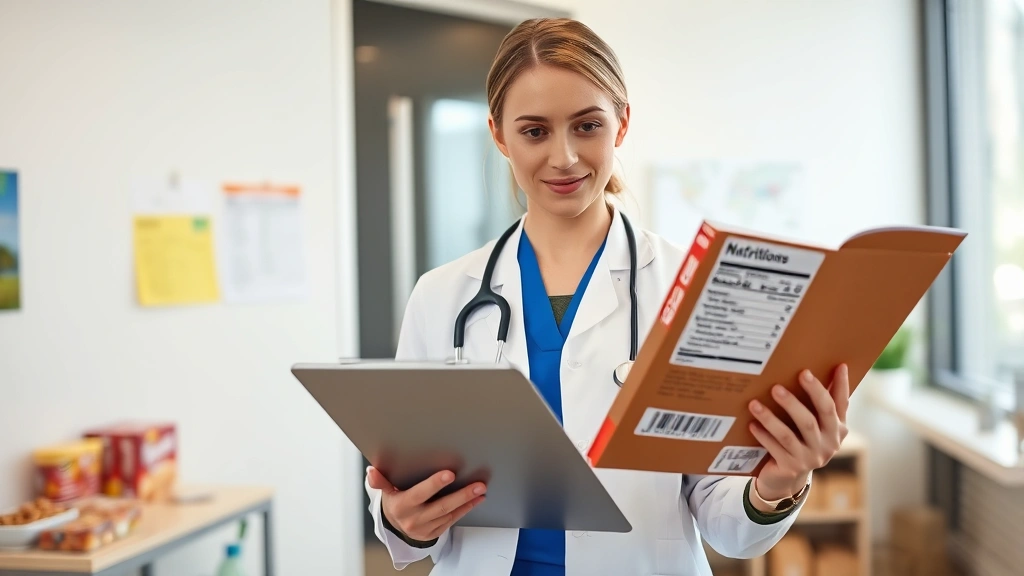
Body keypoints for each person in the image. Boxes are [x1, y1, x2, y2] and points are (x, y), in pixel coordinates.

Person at [365, 17, 850, 576]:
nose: (565, 156)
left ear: (621, 122)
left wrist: (781, 480)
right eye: (535, 131)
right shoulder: (441, 296)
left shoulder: (694, 287)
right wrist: (403, 518)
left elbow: (727, 526)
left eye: (587, 125)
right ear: (499, 135)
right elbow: (404, 502)